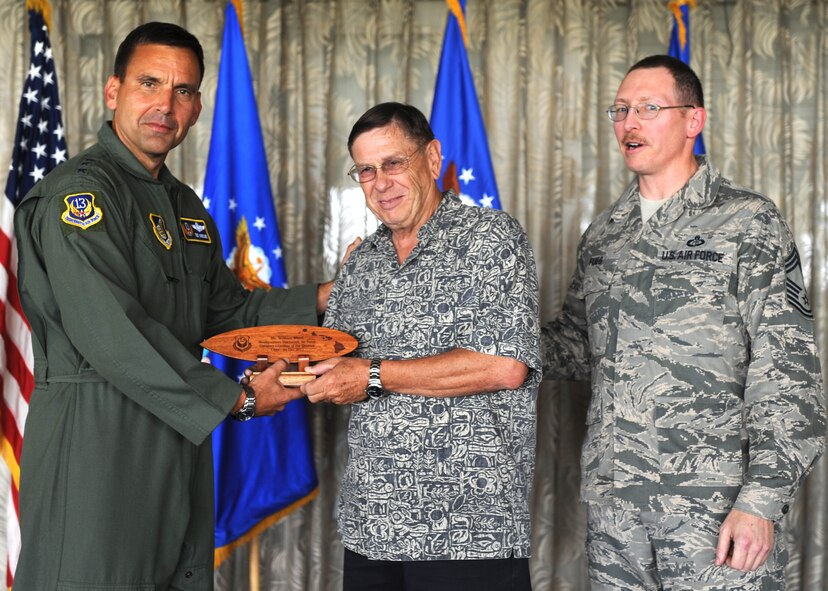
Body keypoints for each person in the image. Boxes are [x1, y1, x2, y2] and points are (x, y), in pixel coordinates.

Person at [12, 22, 331, 590]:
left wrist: (331, 298)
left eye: (182, 90)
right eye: (149, 83)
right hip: (98, 442)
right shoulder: (79, 195)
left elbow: (231, 313)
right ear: (114, 92)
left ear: (199, 105)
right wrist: (237, 398)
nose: (165, 104)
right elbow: (112, 332)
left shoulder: (184, 206)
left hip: (177, 439)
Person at [541, 54, 826, 589]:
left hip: (715, 506)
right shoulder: (604, 235)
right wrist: (488, 330)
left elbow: (786, 369)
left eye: (649, 107)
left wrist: (762, 501)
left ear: (693, 120)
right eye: (621, 109)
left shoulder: (748, 221)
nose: (630, 122)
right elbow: (579, 349)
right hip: (616, 506)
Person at [300, 102, 541, 591]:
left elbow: (504, 366)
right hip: (373, 527)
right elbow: (332, 363)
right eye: (366, 170)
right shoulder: (363, 260)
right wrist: (249, 394)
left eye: (393, 163)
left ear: (432, 159)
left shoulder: (490, 239)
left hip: (469, 530)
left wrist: (371, 375)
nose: (380, 182)